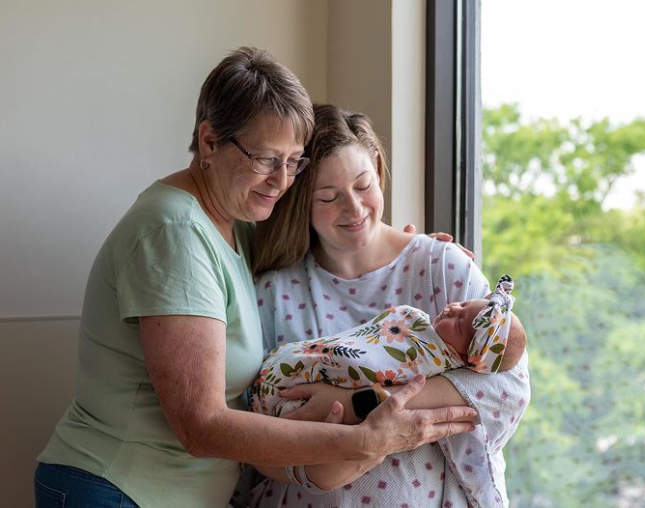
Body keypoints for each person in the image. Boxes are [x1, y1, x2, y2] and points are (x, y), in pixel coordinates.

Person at [34, 48, 478, 508]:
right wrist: (364, 442)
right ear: (209, 143)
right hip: (117, 490)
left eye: (294, 162)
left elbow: (323, 232)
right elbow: (201, 426)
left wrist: (409, 249)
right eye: (266, 160)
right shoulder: (176, 234)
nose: (282, 181)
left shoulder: (234, 223)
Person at [249, 104, 531, 507]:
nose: (354, 209)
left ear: (378, 169)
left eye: (363, 185)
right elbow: (249, 438)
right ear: (300, 201)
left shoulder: (443, 267)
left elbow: (506, 388)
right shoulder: (274, 294)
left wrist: (359, 406)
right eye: (328, 197)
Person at [252, 274, 527, 418]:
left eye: (459, 322)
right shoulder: (418, 324)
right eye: (463, 304)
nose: (453, 308)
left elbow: (373, 366)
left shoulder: (430, 365)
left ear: (466, 356)